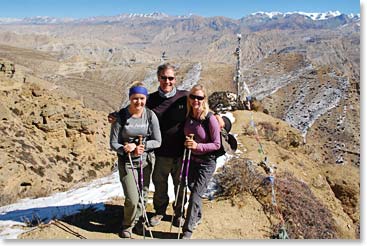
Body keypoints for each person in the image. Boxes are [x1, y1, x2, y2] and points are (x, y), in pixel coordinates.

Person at [108, 63, 188, 228]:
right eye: (164, 78)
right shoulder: (149, 99)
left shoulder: (184, 97)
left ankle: (179, 213)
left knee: (180, 185)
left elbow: (200, 109)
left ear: (175, 79)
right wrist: (116, 116)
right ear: (158, 78)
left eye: (171, 78)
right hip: (158, 153)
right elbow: (133, 108)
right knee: (159, 186)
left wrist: (220, 120)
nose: (167, 81)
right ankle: (159, 212)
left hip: (180, 151)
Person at [110, 81, 161, 238]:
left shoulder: (150, 116)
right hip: (127, 163)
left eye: (142, 98)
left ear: (145, 98)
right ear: (130, 98)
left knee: (143, 195)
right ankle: (127, 224)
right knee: (132, 198)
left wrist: (142, 146)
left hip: (145, 162)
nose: (138, 102)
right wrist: (127, 149)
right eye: (135, 98)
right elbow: (113, 143)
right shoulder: (121, 117)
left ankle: (138, 223)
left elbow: (158, 141)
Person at [181, 84, 221, 239]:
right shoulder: (189, 115)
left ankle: (187, 230)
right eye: (193, 97)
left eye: (200, 97)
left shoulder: (210, 119)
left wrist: (198, 146)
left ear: (205, 99)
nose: (196, 100)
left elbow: (217, 144)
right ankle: (197, 217)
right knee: (192, 188)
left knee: (195, 195)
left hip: (206, 162)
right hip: (192, 160)